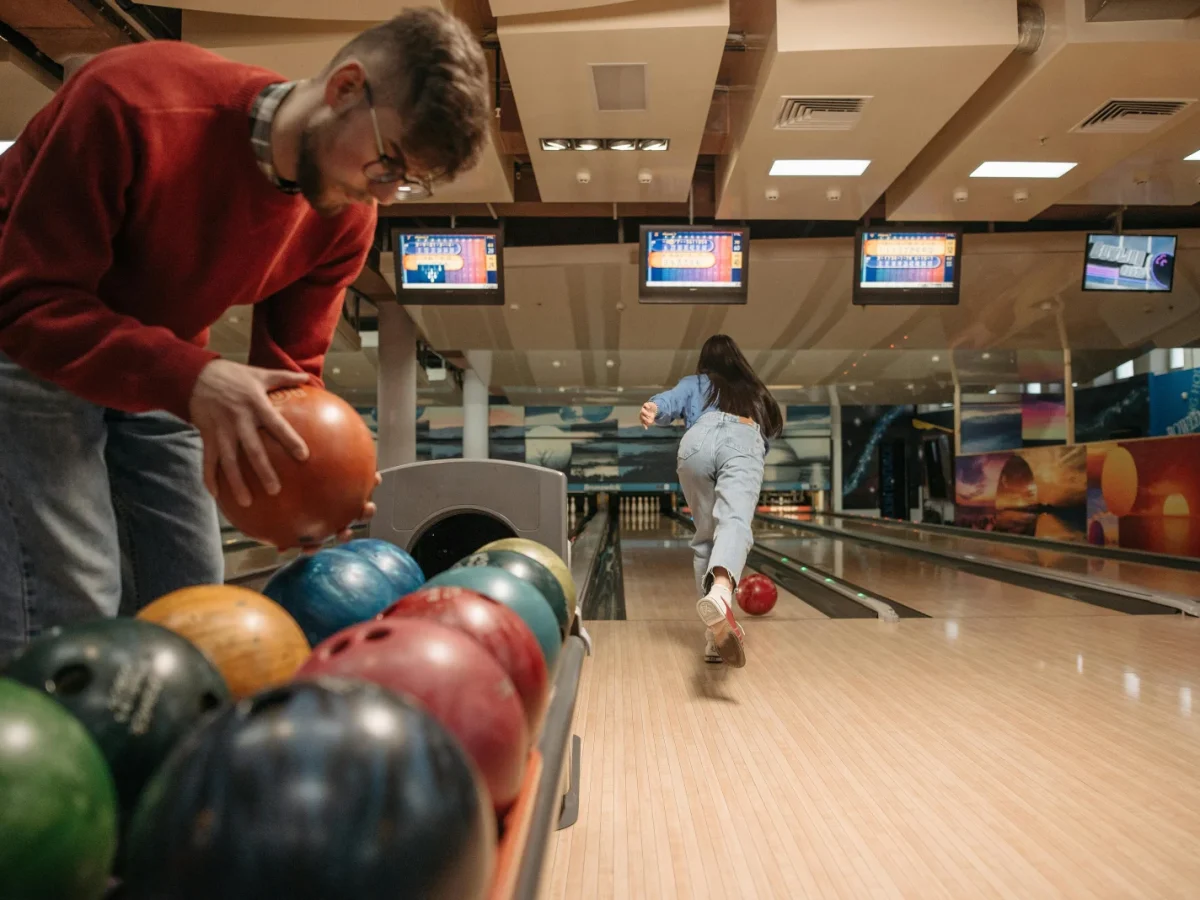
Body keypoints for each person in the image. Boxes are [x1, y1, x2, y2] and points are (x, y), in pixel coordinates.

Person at [0, 9, 492, 663]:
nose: (389, 193)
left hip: (163, 357)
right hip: (29, 339)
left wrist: (312, 485)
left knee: (200, 603)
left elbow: (292, 380)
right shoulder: (133, 100)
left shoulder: (346, 217)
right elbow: (25, 300)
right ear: (345, 89)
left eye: (408, 182)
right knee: (77, 598)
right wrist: (195, 378)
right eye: (389, 162)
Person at [641, 335, 782, 667]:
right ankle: (720, 593)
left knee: (705, 539)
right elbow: (771, 429)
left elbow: (668, 402)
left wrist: (654, 407)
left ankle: (714, 637)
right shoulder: (754, 389)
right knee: (733, 522)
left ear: (705, 362)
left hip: (696, 441)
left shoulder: (695, 382)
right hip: (743, 437)